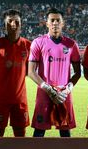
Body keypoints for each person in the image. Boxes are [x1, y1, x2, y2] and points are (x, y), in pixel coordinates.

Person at [27, 8, 81, 137]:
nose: (55, 23)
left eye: (58, 20)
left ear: (63, 23)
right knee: (39, 132)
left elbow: (78, 73)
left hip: (63, 94)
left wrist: (67, 90)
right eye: (52, 20)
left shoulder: (71, 44)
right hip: (44, 94)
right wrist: (48, 89)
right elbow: (30, 71)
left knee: (65, 133)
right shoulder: (38, 42)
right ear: (47, 23)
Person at [0, 9, 31, 137]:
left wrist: (17, 78)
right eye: (9, 21)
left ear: (21, 24)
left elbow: (30, 69)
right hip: (0, 98)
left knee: (20, 134)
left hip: (20, 99)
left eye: (16, 21)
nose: (13, 24)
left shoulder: (28, 45)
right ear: (5, 24)